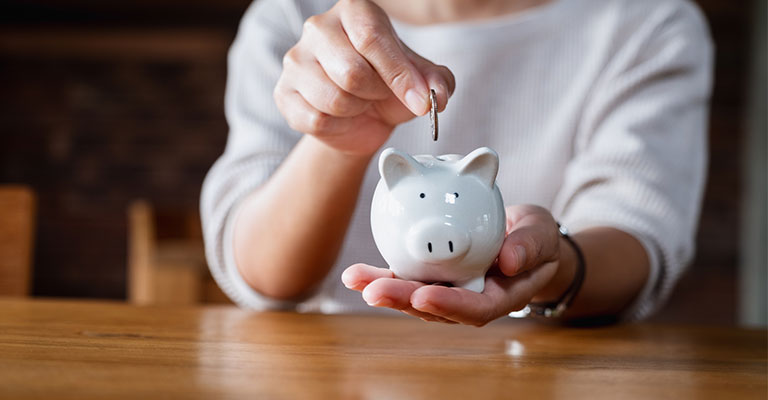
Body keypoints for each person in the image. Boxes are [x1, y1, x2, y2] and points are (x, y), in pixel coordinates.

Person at [201, 0, 713, 325]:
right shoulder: (295, 18)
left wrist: (553, 262)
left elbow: (639, 238)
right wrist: (340, 141)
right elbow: (261, 275)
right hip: (336, 370)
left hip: (542, 370)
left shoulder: (647, 21)